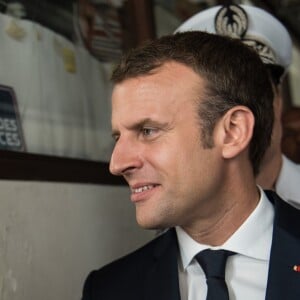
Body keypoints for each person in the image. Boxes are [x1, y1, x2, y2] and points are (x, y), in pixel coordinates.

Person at [81, 31, 300, 300]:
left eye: (148, 131)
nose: (117, 164)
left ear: (233, 132)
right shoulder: (107, 290)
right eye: (118, 137)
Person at [175, 4, 300, 208]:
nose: (239, 111)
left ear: (277, 102)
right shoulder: (181, 212)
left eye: (254, 90)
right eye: (219, 95)